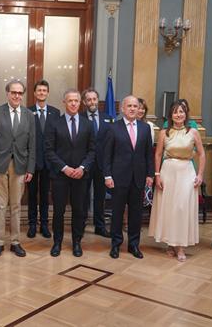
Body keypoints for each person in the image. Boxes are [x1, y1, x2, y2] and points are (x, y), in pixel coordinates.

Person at [148, 100, 205, 262]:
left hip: (186, 171)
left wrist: (200, 175)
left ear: (186, 114)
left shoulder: (193, 132)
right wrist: (157, 175)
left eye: (181, 112)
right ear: (171, 116)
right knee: (169, 208)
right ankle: (170, 243)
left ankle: (180, 246)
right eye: (175, 112)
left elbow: (201, 154)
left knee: (182, 207)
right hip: (168, 171)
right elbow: (158, 154)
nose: (178, 115)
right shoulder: (164, 132)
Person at [0, 80, 36, 258]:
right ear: (7, 93)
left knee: (15, 206)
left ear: (23, 94)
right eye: (13, 92)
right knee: (0, 206)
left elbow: (32, 144)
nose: (16, 96)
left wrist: (31, 168)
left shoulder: (30, 115)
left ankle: (15, 242)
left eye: (20, 93)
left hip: (21, 166)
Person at [45, 89, 95, 257]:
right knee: (59, 211)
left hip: (81, 176)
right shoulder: (53, 123)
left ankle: (76, 242)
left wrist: (82, 168)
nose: (73, 103)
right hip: (60, 175)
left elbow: (92, 151)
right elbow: (49, 150)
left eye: (76, 101)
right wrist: (65, 168)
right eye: (70, 101)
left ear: (80, 103)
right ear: (64, 102)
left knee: (79, 211)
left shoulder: (88, 124)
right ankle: (57, 242)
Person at [103, 95, 154, 259]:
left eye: (135, 106)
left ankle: (134, 245)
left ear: (139, 109)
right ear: (122, 109)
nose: (133, 109)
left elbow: (148, 155)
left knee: (136, 214)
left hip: (138, 178)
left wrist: (150, 174)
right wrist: (107, 176)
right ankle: (116, 244)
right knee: (117, 213)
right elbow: (107, 155)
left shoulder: (145, 128)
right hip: (118, 178)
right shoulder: (113, 128)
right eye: (129, 106)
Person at [27, 79, 60, 239]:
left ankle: (45, 224)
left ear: (47, 93)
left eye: (44, 90)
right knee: (32, 195)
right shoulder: (27, 111)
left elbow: (58, 138)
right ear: (34, 93)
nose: (41, 93)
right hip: (32, 162)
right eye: (38, 90)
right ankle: (32, 224)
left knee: (46, 195)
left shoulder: (55, 112)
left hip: (49, 162)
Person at [82, 88, 111, 238]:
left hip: (101, 164)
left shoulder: (108, 118)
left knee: (100, 197)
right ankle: (81, 224)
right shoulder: (79, 117)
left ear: (97, 100)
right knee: (83, 196)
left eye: (94, 99)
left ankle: (100, 226)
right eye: (89, 99)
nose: (92, 102)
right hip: (85, 164)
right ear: (84, 102)